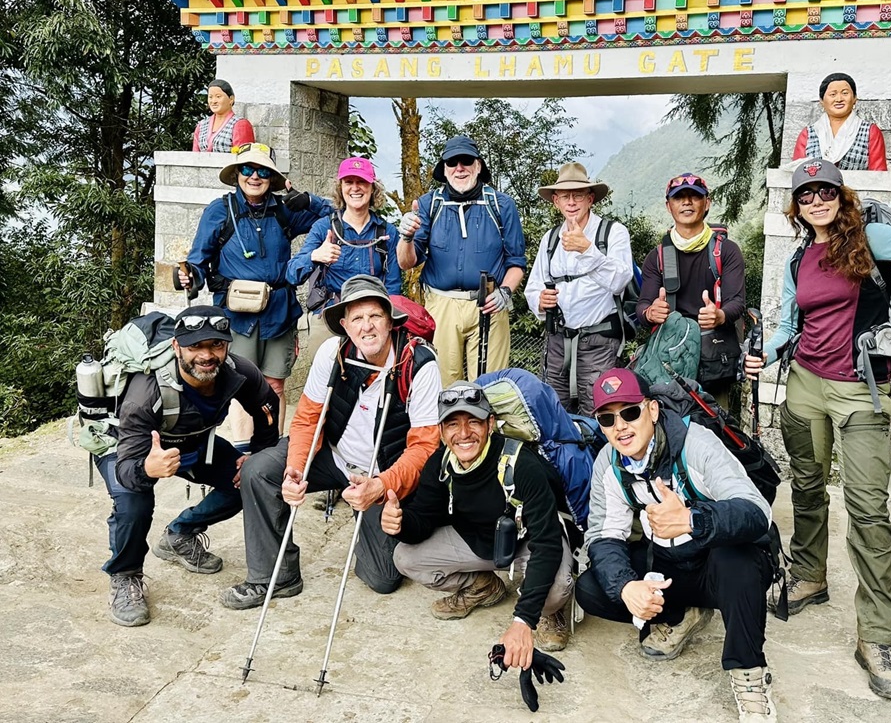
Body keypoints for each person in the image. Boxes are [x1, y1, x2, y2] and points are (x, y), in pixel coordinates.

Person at [743, 158, 891, 701]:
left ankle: (878, 636)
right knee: (807, 487)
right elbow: (791, 324)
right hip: (804, 385)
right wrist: (765, 354)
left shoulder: (872, 239)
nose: (816, 201)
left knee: (868, 509)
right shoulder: (799, 258)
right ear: (796, 207)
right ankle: (810, 575)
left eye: (825, 191)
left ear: (840, 196)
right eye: (806, 195)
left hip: (859, 390)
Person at [222, 275, 441, 607]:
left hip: (380, 472)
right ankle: (274, 577)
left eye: (375, 316)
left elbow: (425, 448)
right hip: (333, 455)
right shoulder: (333, 351)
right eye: (357, 318)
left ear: (390, 320)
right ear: (344, 325)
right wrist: (295, 469)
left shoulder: (419, 364)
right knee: (260, 470)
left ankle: (379, 519)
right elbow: (308, 418)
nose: (367, 326)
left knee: (382, 578)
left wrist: (380, 487)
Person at [577, 368, 776, 722]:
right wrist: (625, 587)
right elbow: (603, 536)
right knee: (591, 588)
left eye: (630, 412)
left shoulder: (695, 444)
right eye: (607, 419)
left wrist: (692, 520)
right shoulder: (609, 462)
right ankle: (681, 615)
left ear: (652, 410)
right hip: (669, 564)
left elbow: (757, 512)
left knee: (739, 562)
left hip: (716, 565)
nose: (620, 427)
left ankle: (748, 672)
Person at [102, 305, 280, 627]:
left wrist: (259, 454)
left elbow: (267, 408)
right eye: (195, 346)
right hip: (127, 448)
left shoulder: (239, 372)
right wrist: (147, 469)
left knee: (250, 479)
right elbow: (126, 469)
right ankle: (125, 576)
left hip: (190, 439)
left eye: (216, 345)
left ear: (227, 345)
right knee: (134, 504)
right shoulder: (145, 394)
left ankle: (179, 535)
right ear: (176, 347)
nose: (206, 355)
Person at [383, 380, 574, 658]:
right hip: (477, 542)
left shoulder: (522, 465)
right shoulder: (440, 465)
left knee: (557, 588)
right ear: (441, 431)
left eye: (474, 421)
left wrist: (523, 620)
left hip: (528, 543)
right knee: (405, 557)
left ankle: (549, 612)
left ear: (490, 424)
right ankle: (482, 587)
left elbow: (547, 543)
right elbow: (423, 520)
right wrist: (400, 523)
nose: (464, 433)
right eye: (452, 424)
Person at [179, 142, 332, 420]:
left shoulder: (284, 209)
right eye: (247, 169)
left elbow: (338, 217)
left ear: (271, 178)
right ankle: (243, 447)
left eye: (262, 171)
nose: (254, 176)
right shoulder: (219, 210)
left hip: (279, 312)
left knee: (275, 385)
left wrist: (309, 201)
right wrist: (188, 275)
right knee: (239, 387)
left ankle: (272, 444)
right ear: (237, 174)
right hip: (236, 313)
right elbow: (198, 261)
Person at [397, 135, 526, 384]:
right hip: (441, 305)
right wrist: (406, 236)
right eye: (452, 162)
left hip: (490, 303)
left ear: (478, 165)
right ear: (444, 169)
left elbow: (516, 262)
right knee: (443, 384)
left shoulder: (501, 205)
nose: (459, 168)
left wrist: (505, 292)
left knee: (490, 385)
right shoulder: (428, 204)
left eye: (466, 161)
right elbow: (406, 263)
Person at [524, 162, 634, 414]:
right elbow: (533, 286)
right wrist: (540, 300)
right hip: (557, 341)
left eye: (578, 195)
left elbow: (620, 280)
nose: (572, 202)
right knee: (554, 411)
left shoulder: (613, 232)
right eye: (565, 196)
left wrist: (587, 250)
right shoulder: (550, 238)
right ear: (556, 201)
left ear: (590, 198)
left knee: (600, 410)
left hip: (599, 341)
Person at [635, 172, 746, 407]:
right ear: (669, 206)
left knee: (714, 421)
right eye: (678, 197)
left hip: (713, 357)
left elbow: (737, 302)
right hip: (670, 358)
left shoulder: (726, 251)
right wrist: (651, 313)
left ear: (707, 203)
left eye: (694, 196)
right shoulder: (658, 257)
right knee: (669, 420)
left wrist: (719, 315)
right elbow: (642, 306)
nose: (687, 202)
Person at [287, 156, 403, 361]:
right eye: (349, 182)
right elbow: (292, 274)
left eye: (362, 182)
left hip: (372, 322)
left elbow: (393, 285)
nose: (355, 188)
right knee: (325, 378)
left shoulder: (387, 232)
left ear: (373, 188)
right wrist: (315, 256)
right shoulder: (324, 227)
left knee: (372, 377)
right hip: (330, 317)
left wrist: (389, 321)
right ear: (340, 188)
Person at [791, 73, 888, 171]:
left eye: (845, 93)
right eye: (833, 94)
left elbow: (879, 174)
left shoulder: (870, 132)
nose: (839, 99)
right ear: (821, 101)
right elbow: (797, 172)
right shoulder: (808, 134)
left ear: (854, 98)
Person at [192, 79, 255, 153]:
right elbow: (195, 155)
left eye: (218, 97)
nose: (214, 101)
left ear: (231, 99)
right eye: (210, 97)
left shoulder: (240, 124)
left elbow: (245, 156)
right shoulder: (201, 126)